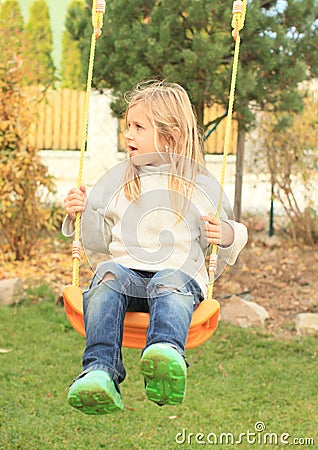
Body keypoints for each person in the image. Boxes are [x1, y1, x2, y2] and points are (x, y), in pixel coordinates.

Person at [62, 80, 248, 415]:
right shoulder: (120, 182)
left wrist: (228, 234)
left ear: (170, 135)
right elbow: (95, 240)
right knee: (106, 273)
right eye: (127, 127)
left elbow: (234, 232)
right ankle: (99, 371)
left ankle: (164, 355)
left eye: (138, 127)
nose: (128, 135)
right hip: (127, 280)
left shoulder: (199, 185)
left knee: (169, 280)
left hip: (179, 280)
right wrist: (83, 210)